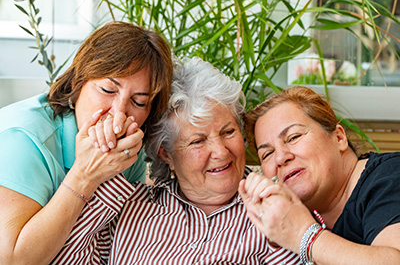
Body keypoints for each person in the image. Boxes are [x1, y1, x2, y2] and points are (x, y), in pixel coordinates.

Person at [51, 57, 301, 264]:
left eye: (228, 132)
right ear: (165, 153)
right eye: (197, 141)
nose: (221, 152)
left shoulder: (274, 209)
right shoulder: (130, 206)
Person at [0, 21, 173, 264]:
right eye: (107, 90)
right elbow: (12, 260)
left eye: (139, 102)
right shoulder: (24, 139)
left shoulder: (127, 147)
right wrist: (84, 176)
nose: (118, 113)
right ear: (77, 82)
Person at [239, 86, 400, 264]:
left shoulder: (390, 176)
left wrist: (304, 235)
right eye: (267, 154)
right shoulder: (302, 216)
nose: (280, 157)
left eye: (293, 137)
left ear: (339, 138)